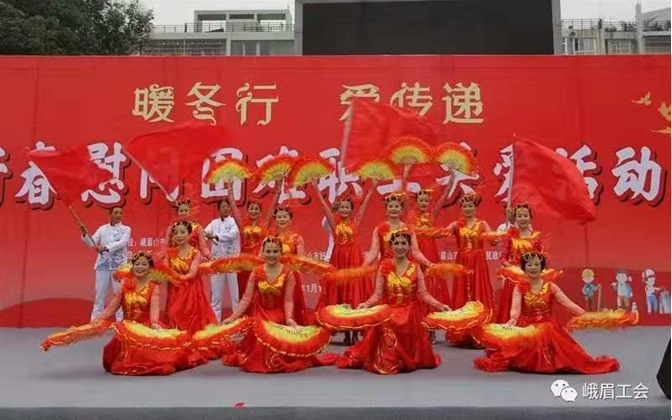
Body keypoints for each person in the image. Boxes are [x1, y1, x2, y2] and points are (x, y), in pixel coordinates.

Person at [474, 252, 619, 374]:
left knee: (560, 345)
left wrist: (585, 314)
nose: (533, 268)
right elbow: (515, 308)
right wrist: (512, 319)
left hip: (548, 326)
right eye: (529, 265)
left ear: (542, 267)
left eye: (536, 264)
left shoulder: (551, 286)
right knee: (512, 352)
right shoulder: (519, 288)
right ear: (524, 268)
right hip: (527, 327)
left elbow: (567, 303)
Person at [336, 229, 450, 375]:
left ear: (409, 246)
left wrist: (440, 306)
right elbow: (377, 295)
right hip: (389, 313)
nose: (400, 247)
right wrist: (366, 304)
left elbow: (424, 294)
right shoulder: (384, 266)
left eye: (403, 243)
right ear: (391, 246)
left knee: (410, 319)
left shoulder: (415, 268)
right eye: (396, 243)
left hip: (410, 315)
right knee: (385, 361)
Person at [222, 236, 336, 373]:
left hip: (278, 316)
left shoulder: (288, 273)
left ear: (281, 253)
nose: (271, 255)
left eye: (275, 251)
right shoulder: (256, 272)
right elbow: (246, 298)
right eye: (268, 251)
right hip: (259, 315)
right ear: (263, 252)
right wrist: (233, 317)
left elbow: (288, 300)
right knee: (259, 342)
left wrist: (289, 319)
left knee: (275, 340)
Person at [96, 252, 206, 375]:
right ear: (133, 266)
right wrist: (97, 320)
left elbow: (154, 308)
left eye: (144, 264)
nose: (140, 267)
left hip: (146, 327)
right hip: (127, 329)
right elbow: (111, 308)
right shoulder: (124, 285)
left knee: (153, 357)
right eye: (137, 264)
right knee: (112, 355)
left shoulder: (153, 287)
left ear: (150, 268)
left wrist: (154, 324)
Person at [312, 180, 377, 345]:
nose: (345, 209)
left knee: (354, 293)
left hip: (354, 259)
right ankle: (345, 332)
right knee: (340, 294)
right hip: (339, 259)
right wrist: (315, 188)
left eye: (347, 207)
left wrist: (373, 186)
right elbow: (323, 206)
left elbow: (365, 204)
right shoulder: (334, 223)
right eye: (342, 207)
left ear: (351, 209)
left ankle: (354, 331)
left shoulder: (356, 221)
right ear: (339, 208)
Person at [406, 187, 452, 343]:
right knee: (416, 287)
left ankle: (431, 328)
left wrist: (451, 181)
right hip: (417, 251)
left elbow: (442, 199)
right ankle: (417, 326)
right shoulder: (411, 216)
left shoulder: (431, 213)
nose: (424, 203)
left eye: (426, 200)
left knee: (431, 286)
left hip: (431, 251)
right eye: (421, 200)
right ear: (416, 201)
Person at [226, 181, 279, 299]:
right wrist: (229, 188)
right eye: (251, 208)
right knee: (244, 288)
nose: (253, 211)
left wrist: (278, 189)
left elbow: (273, 206)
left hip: (259, 260)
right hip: (244, 261)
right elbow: (233, 206)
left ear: (260, 211)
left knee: (259, 288)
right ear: (248, 210)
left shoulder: (265, 224)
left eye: (256, 209)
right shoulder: (242, 224)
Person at [164, 220, 217, 334]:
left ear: (189, 234)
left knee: (191, 317)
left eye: (183, 232)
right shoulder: (170, 253)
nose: (179, 236)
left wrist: (177, 278)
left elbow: (192, 273)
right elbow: (165, 270)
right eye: (176, 233)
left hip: (191, 290)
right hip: (175, 290)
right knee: (174, 316)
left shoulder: (195, 252)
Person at [446, 193, 496, 312]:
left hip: (478, 261)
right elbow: (441, 233)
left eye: (470, 206)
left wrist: (499, 235)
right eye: (465, 206)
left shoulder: (482, 224)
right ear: (461, 208)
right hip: (462, 260)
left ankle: (480, 314)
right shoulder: (456, 225)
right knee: (462, 287)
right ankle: (462, 315)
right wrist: (427, 229)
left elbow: (494, 242)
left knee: (478, 285)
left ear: (475, 208)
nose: (467, 208)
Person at [80, 206, 130, 322]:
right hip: (103, 265)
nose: (118, 215)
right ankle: (95, 320)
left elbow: (123, 243)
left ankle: (120, 321)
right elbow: (91, 243)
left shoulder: (126, 229)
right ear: (110, 214)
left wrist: (105, 247)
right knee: (100, 294)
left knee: (119, 294)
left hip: (119, 267)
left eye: (120, 213)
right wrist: (84, 233)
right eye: (116, 212)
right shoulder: (102, 229)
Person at [496, 203, 543, 323]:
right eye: (520, 216)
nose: (523, 218)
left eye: (525, 215)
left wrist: (537, 269)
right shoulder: (509, 236)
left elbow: (543, 257)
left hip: (532, 276)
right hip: (514, 277)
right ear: (515, 218)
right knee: (513, 307)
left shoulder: (536, 236)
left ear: (530, 217)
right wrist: (511, 268)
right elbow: (503, 257)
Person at [362, 193, 433, 268]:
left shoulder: (408, 229)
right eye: (390, 206)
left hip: (405, 267)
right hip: (386, 268)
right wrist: (363, 266)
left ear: (401, 210)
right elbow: (373, 252)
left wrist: (429, 264)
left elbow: (416, 252)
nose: (394, 209)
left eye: (396, 206)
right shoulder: (379, 229)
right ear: (386, 210)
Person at [204, 199, 241, 321]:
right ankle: (216, 322)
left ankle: (236, 321)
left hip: (232, 262)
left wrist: (215, 236)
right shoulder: (214, 223)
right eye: (223, 207)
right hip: (218, 262)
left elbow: (233, 234)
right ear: (218, 209)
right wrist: (205, 234)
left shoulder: (234, 222)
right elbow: (205, 233)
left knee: (235, 296)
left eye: (227, 207)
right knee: (216, 296)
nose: (225, 209)